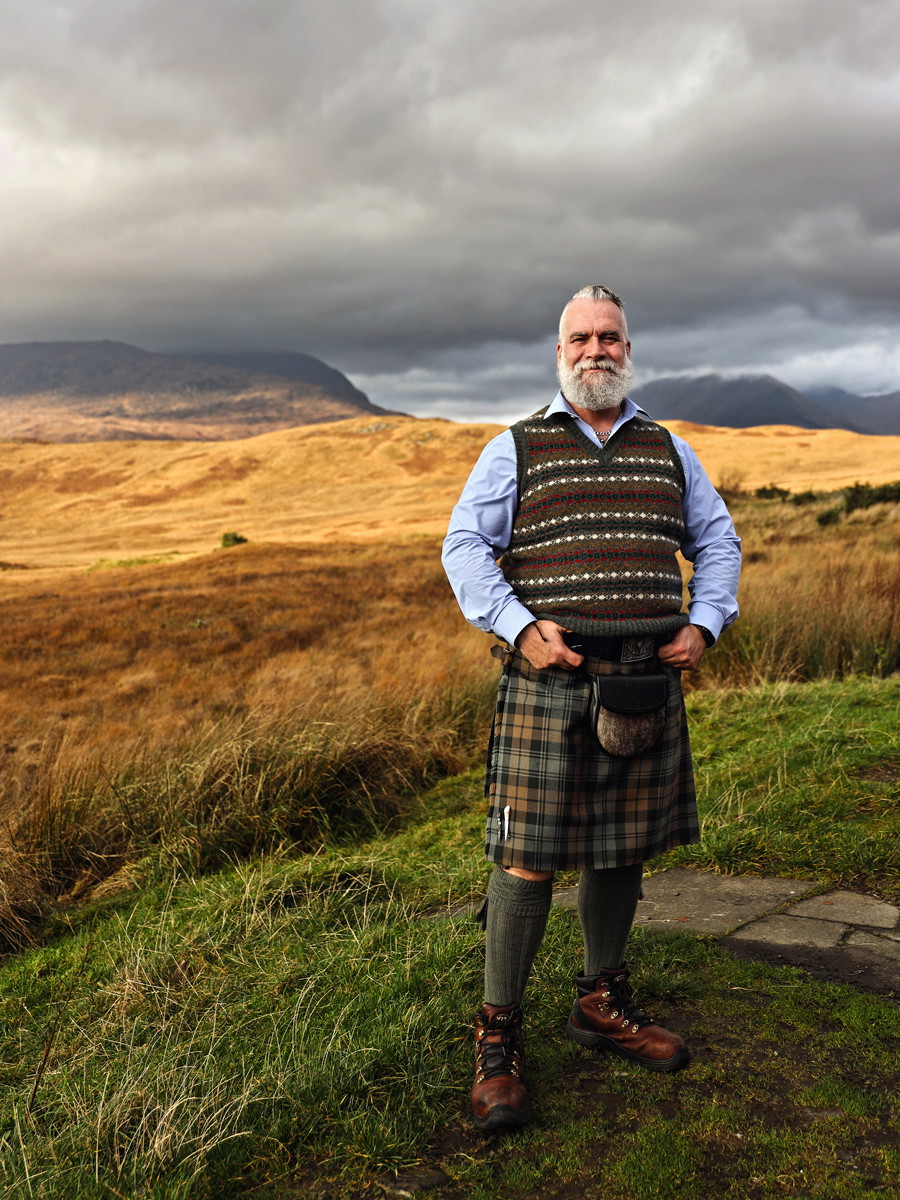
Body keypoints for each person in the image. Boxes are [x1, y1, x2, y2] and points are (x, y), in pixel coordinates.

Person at [442, 285, 741, 1132]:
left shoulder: (669, 449)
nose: (595, 350)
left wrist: (704, 622)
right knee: (526, 858)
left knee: (622, 849)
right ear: (560, 351)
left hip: (644, 683)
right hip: (549, 685)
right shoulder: (515, 447)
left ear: (628, 349)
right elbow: (464, 545)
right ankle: (498, 1036)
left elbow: (717, 541)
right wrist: (517, 626)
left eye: (609, 337)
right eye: (580, 338)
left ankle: (599, 1003)